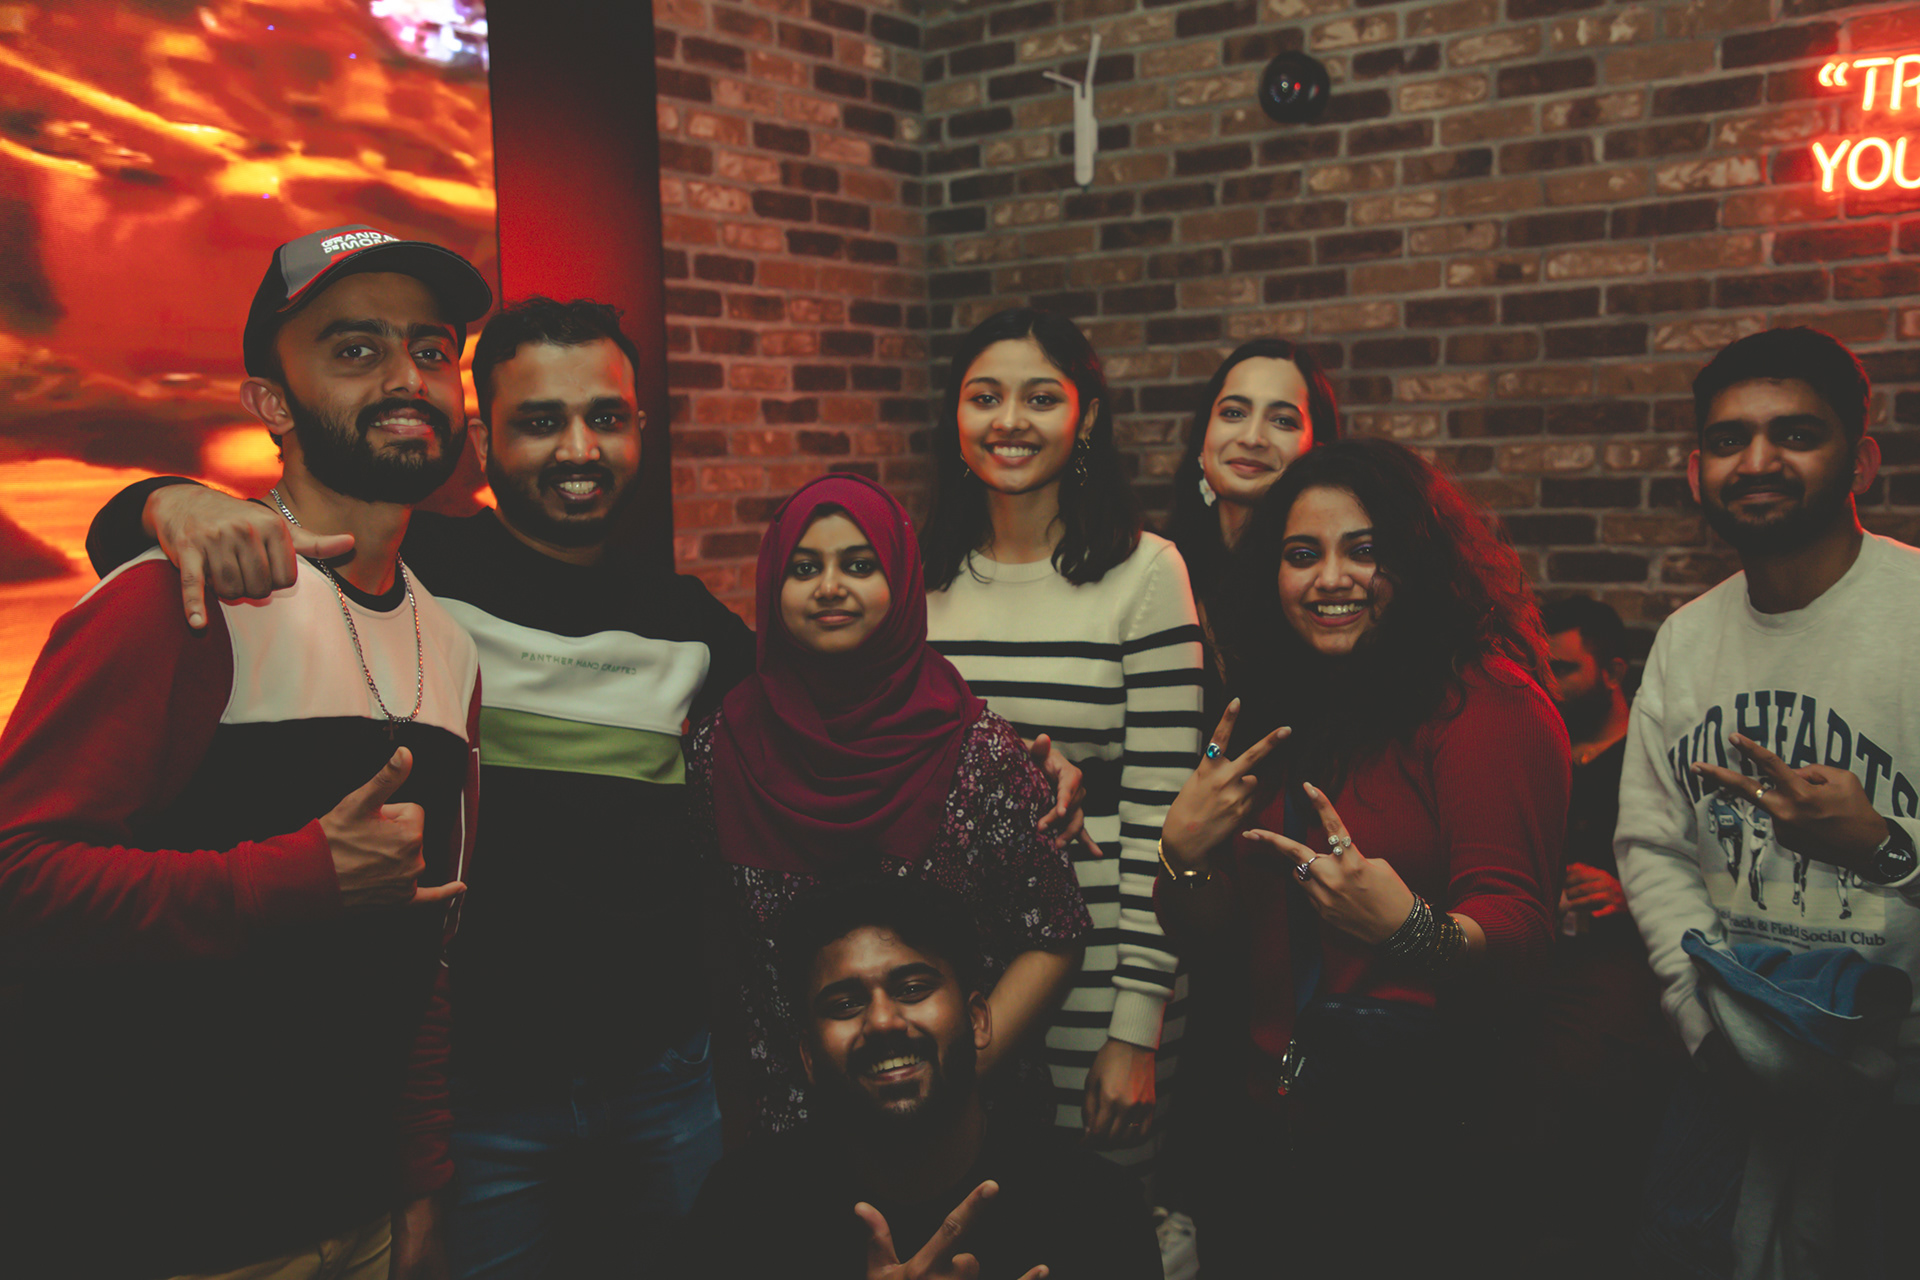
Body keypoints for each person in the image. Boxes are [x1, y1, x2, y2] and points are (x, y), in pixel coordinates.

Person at [0, 225, 492, 1279]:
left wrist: (418, 1179)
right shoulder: (173, 597)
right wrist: (303, 876)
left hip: (359, 1214)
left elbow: (426, 952)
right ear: (270, 400)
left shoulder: (450, 647)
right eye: (355, 349)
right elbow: (16, 881)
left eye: (433, 350)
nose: (407, 376)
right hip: (166, 1227)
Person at [1157, 436, 1568, 1277]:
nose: (1330, 578)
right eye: (1302, 555)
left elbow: (1523, 936)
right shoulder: (1278, 705)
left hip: (1420, 1141)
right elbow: (1222, 939)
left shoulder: (1483, 700)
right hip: (1271, 1123)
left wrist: (1409, 928)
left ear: (1416, 561)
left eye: (1363, 550)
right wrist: (1184, 858)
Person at [1616, 327, 1920, 1273]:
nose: (1755, 461)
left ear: (1860, 460)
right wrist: (1700, 1023)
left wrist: (1882, 845)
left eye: (1795, 433)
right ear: (1696, 471)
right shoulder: (1686, 640)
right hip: (1739, 1068)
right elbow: (1653, 845)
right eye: (1726, 440)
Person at [687, 473, 1091, 1136]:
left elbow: (1054, 935)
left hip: (964, 1121)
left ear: (901, 583)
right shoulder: (720, 750)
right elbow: (718, 952)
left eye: (858, 564)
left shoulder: (977, 749)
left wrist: (946, 1082)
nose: (830, 586)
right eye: (804, 568)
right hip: (791, 1129)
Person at [920, 308, 1205, 1177]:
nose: (1009, 420)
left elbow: (1164, 813)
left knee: (1099, 1213)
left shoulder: (1146, 572)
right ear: (955, 416)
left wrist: (1137, 1026)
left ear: (1086, 419)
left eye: (1040, 398)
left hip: (1107, 948)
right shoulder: (916, 575)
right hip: (949, 950)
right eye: (984, 397)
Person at [685, 876, 1161, 1280]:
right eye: (845, 1004)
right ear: (807, 1057)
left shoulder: (1097, 1212)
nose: (883, 1021)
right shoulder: (741, 1212)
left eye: (912, 989)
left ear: (978, 1020)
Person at [1531, 596, 1679, 1277]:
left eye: (1563, 669)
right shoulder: (1540, 750)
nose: (1549, 684)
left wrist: (1628, 893)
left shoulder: (1650, 759)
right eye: (1541, 669)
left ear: (1614, 671)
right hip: (1543, 972)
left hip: (1628, 983)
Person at [1164, 337, 1340, 719]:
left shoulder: (1330, 583)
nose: (1252, 438)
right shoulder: (1157, 570)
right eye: (1233, 413)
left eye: (1283, 421)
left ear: (1317, 448)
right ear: (1203, 436)